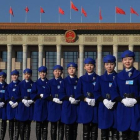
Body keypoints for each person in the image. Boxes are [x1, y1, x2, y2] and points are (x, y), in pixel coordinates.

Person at [111, 50, 140, 140]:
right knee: (124, 134)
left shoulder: (138, 75)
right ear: (122, 61)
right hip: (123, 107)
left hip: (135, 107)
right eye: (125, 59)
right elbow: (114, 91)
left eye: (130, 59)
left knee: (134, 134)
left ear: (133, 60)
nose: (127, 61)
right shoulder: (118, 77)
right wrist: (121, 100)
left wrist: (136, 100)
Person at [94, 55, 119, 140]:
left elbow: (121, 92)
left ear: (114, 65)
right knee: (104, 134)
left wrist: (115, 100)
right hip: (104, 108)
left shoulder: (119, 77)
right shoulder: (100, 78)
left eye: (111, 64)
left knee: (115, 133)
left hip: (116, 108)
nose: (109, 66)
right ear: (104, 65)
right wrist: (103, 100)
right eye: (107, 64)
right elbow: (96, 92)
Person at [75, 58, 98, 140]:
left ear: (94, 66)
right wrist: (86, 99)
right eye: (87, 65)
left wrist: (96, 99)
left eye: (91, 65)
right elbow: (78, 93)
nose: (89, 67)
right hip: (85, 106)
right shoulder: (81, 79)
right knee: (86, 131)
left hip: (95, 106)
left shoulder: (99, 78)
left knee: (94, 132)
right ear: (84, 67)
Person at [59, 62, 79, 140]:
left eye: (73, 68)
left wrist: (78, 99)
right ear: (67, 70)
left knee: (75, 128)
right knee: (67, 128)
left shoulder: (78, 81)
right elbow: (61, 93)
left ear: (76, 70)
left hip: (76, 106)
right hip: (67, 106)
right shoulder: (64, 81)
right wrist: (69, 98)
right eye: (70, 69)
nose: (71, 70)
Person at [44, 65, 64, 140]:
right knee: (53, 127)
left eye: (59, 71)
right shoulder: (50, 82)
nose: (57, 72)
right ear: (53, 72)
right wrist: (54, 99)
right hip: (53, 106)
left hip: (62, 106)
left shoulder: (64, 81)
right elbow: (46, 95)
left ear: (61, 72)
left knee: (61, 127)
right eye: (56, 71)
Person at [31, 66, 48, 140]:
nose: (42, 74)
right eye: (41, 73)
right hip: (38, 105)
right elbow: (32, 94)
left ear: (46, 73)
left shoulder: (49, 82)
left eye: (44, 72)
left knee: (45, 126)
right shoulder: (36, 83)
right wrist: (38, 95)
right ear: (39, 74)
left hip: (46, 105)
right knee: (38, 125)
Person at [16, 68, 34, 140]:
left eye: (28, 74)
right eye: (25, 74)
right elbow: (17, 95)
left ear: (31, 75)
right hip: (22, 106)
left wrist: (31, 100)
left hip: (29, 106)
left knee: (28, 125)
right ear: (24, 75)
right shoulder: (20, 84)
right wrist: (23, 100)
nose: (27, 76)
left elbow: (35, 94)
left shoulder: (33, 84)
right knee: (21, 125)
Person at [5, 70, 20, 140]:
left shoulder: (21, 85)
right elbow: (6, 96)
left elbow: (22, 95)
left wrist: (17, 102)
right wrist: (10, 102)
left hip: (18, 106)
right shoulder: (8, 86)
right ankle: (11, 138)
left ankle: (16, 138)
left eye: (16, 75)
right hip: (10, 106)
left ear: (18, 76)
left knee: (17, 124)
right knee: (11, 124)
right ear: (11, 76)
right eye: (13, 75)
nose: (14, 76)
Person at [0, 72, 8, 140]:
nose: (1, 79)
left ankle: (2, 137)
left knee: (3, 122)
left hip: (4, 106)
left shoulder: (7, 86)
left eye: (2, 77)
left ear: (5, 78)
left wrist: (4, 102)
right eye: (0, 77)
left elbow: (7, 95)